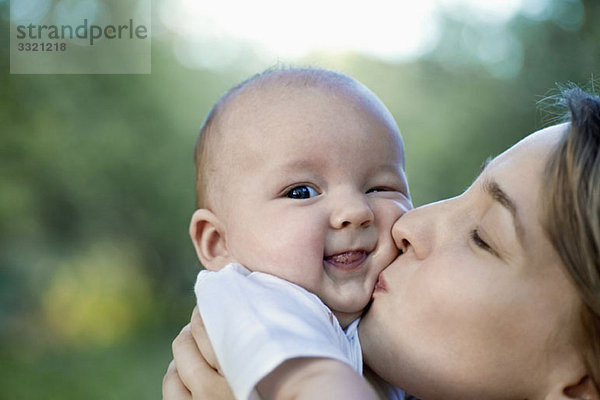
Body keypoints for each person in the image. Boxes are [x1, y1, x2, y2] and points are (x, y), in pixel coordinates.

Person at [163, 85, 600, 399]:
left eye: (482, 238)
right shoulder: (262, 298)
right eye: (300, 192)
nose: (408, 223)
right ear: (218, 242)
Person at [185, 67, 412, 399]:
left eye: (379, 188)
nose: (356, 211)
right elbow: (313, 382)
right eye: (301, 192)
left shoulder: (398, 300)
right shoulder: (253, 295)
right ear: (218, 243)